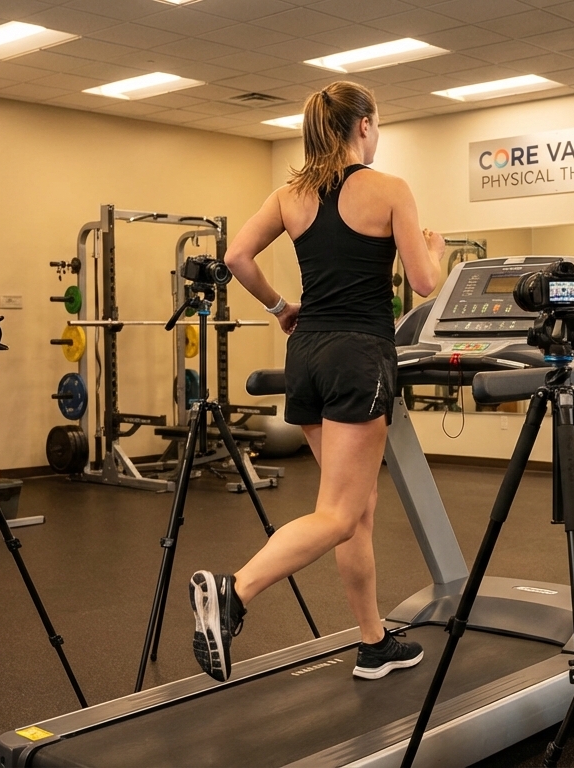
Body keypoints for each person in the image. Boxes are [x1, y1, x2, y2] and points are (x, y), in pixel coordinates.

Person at [187, 81, 443, 683]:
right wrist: (436, 247)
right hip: (358, 355)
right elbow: (424, 282)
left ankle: (373, 642)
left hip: (307, 353)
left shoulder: (290, 195)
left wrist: (281, 308)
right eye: (376, 126)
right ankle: (233, 592)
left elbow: (236, 258)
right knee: (338, 514)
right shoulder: (390, 189)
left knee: (355, 510)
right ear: (363, 125)